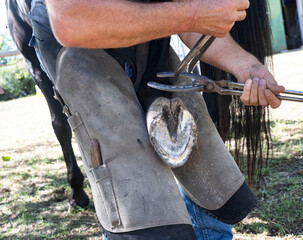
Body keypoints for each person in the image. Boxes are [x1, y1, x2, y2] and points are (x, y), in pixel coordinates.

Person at [29, 0, 285, 239]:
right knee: (139, 202)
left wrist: (245, 65)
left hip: (149, 43)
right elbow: (70, 19)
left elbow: (193, 18)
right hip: (78, 53)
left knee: (204, 166)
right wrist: (192, 14)